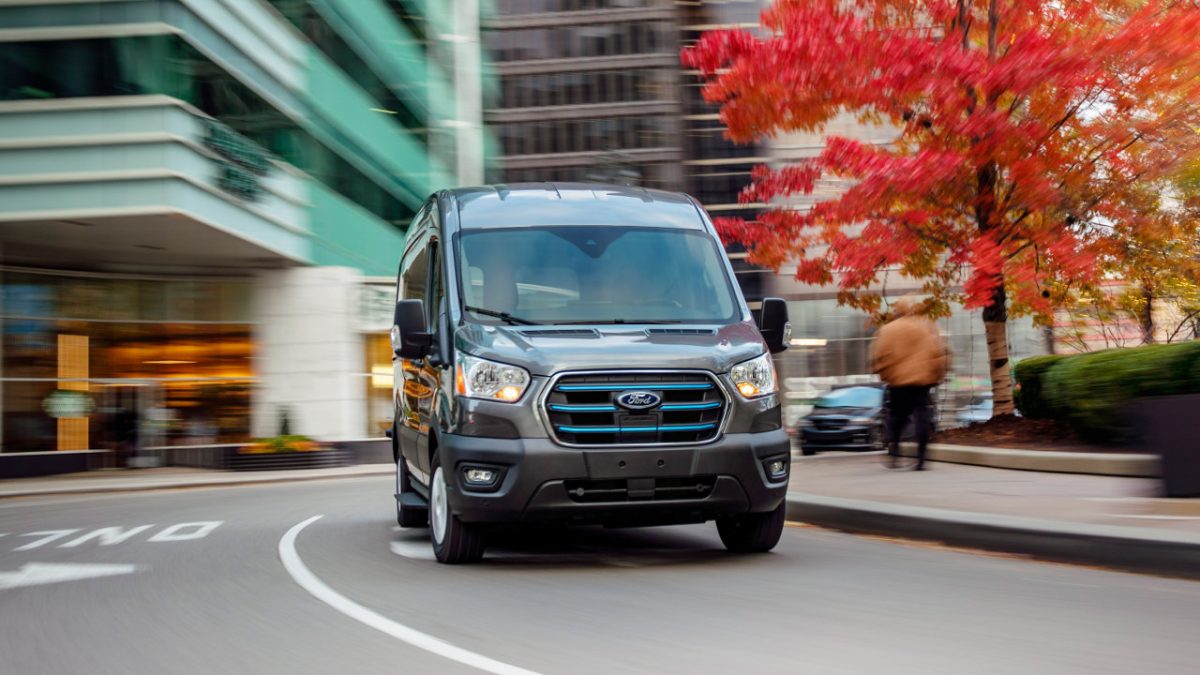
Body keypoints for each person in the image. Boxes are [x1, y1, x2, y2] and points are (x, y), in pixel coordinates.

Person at [871, 296, 949, 470]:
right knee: (922, 418)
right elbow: (938, 352)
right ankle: (921, 459)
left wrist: (885, 375)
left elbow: (880, 355)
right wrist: (938, 374)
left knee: (898, 417)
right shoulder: (926, 326)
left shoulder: (888, 330)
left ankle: (895, 452)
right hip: (922, 381)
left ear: (897, 311)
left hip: (898, 382)